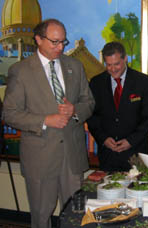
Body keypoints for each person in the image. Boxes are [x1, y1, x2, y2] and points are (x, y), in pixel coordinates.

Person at [3, 19, 95, 228]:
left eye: (63, 42)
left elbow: (89, 102)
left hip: (72, 157)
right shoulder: (21, 71)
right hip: (40, 159)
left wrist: (75, 111)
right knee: (41, 216)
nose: (60, 47)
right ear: (38, 40)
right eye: (55, 42)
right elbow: (9, 114)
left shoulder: (75, 66)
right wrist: (45, 120)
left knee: (75, 217)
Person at [87, 41, 148, 172]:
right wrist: (103, 139)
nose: (113, 69)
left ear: (125, 59)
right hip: (108, 155)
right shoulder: (96, 83)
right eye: (108, 65)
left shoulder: (144, 82)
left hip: (136, 153)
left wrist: (130, 141)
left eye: (116, 64)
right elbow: (91, 117)